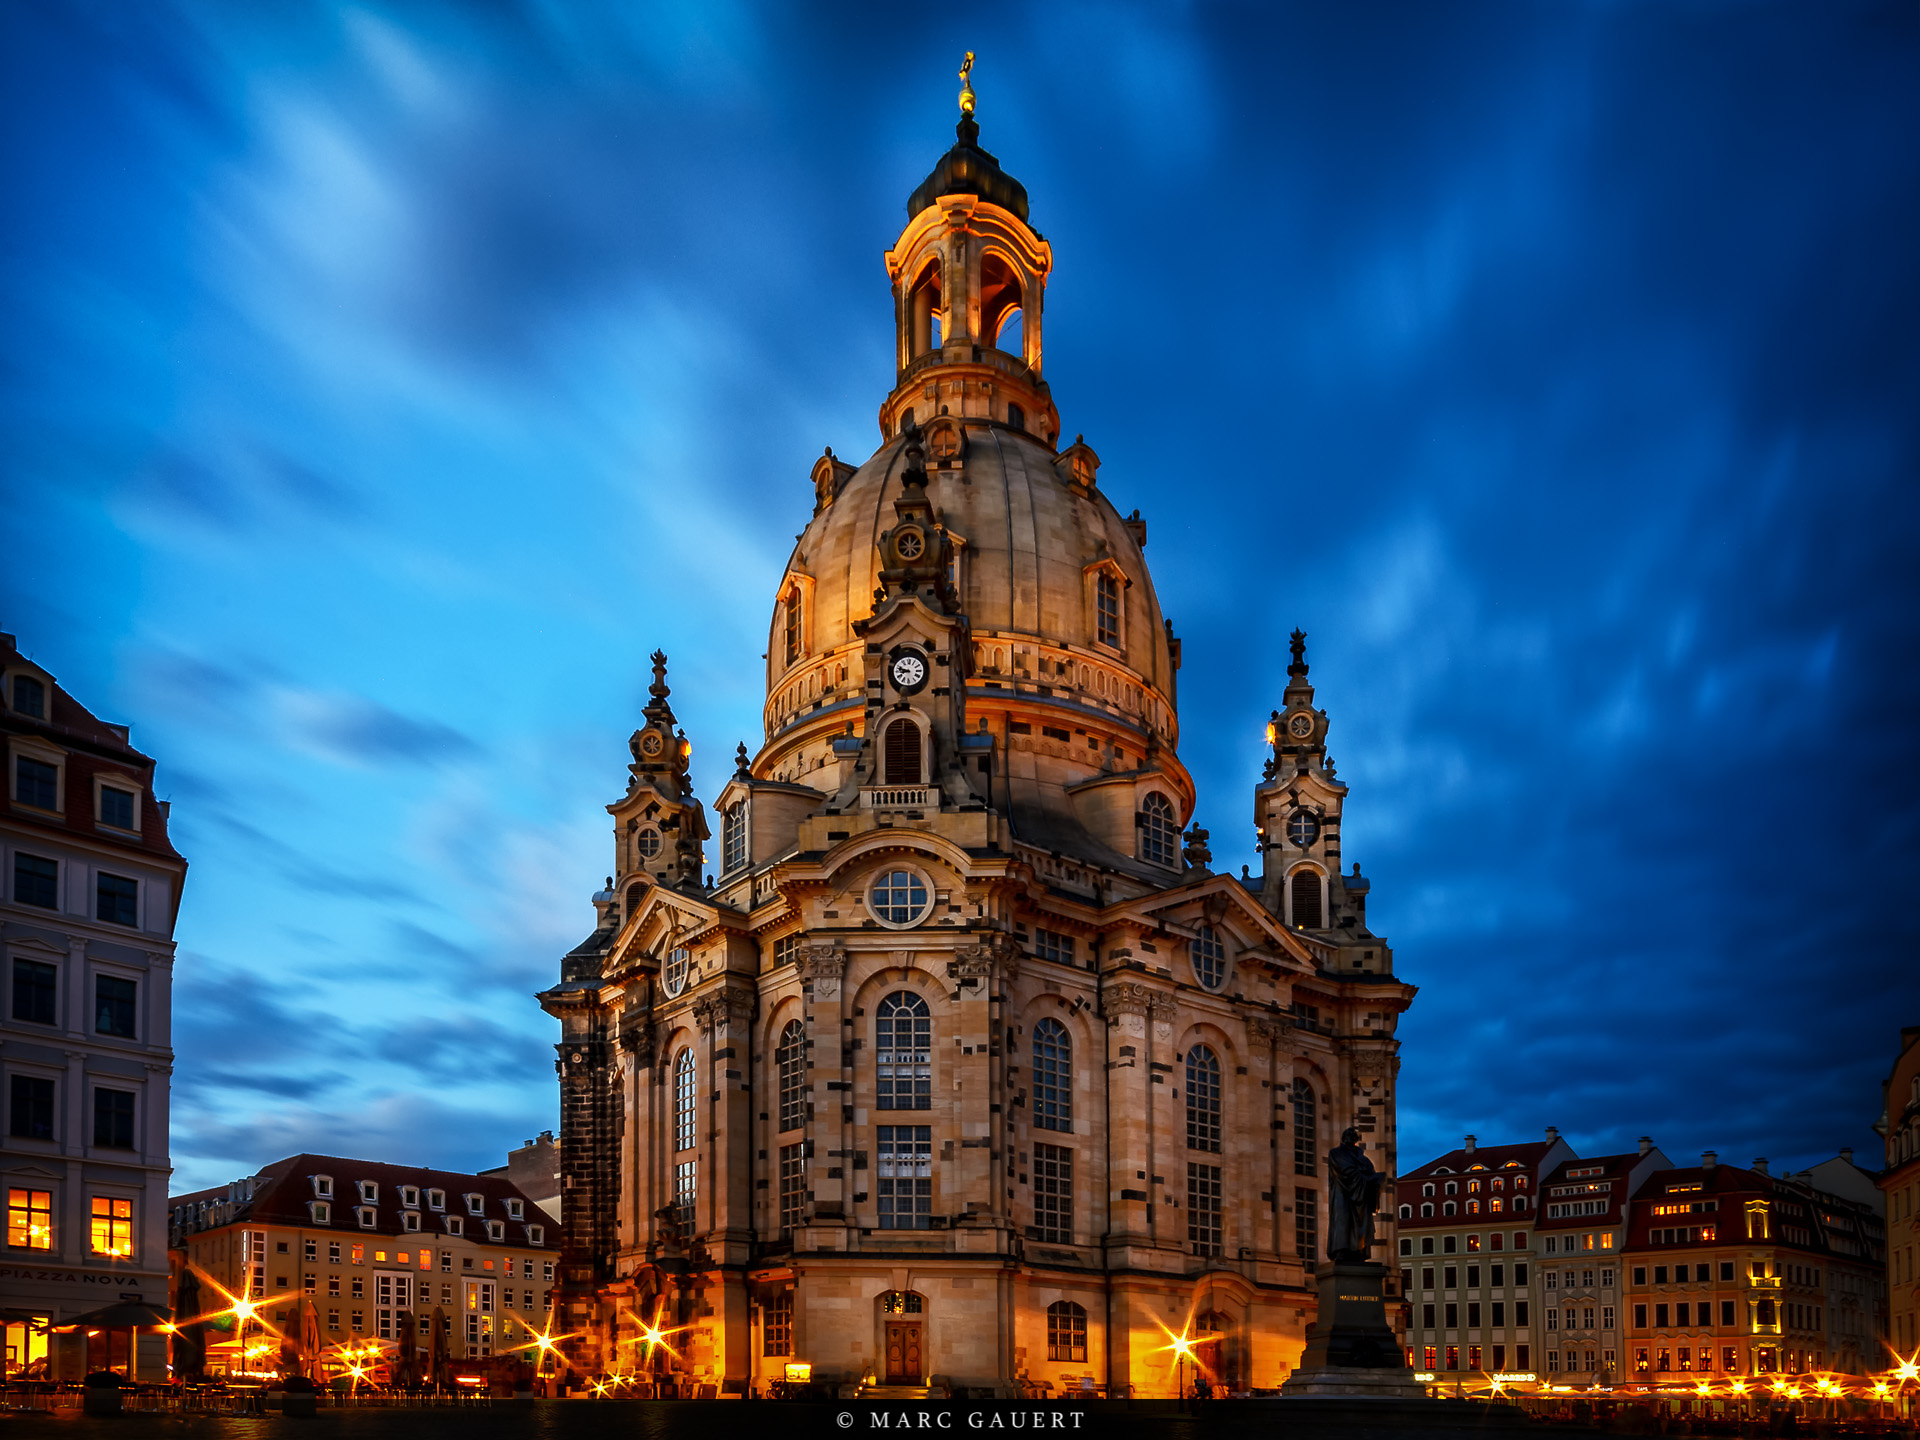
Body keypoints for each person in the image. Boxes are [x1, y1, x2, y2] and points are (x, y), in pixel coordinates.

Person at [1325, 1126, 1383, 1262]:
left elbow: (1370, 1174)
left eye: (1354, 1137)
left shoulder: (1364, 1159)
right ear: (1344, 1139)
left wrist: (1376, 1180)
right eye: (1349, 1137)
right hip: (1342, 1194)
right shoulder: (1336, 1153)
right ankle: (1341, 1250)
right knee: (1342, 1220)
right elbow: (1345, 1171)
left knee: (1361, 1223)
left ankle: (1359, 1250)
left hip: (1361, 1199)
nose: (1352, 1140)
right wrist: (1369, 1178)